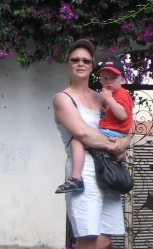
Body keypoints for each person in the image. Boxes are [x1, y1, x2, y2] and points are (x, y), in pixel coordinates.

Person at [53, 39, 132, 249]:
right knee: (86, 238)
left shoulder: (101, 98)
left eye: (86, 59)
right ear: (68, 65)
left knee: (103, 239)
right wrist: (115, 145)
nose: (81, 63)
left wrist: (124, 143)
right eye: (75, 59)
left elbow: (125, 127)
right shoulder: (63, 98)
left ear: (92, 66)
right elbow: (82, 134)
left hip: (107, 170)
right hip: (84, 169)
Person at [55, 57, 133, 193]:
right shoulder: (63, 98)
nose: (109, 82)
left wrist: (123, 141)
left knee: (77, 142)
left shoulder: (120, 94)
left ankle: (75, 178)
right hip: (107, 144)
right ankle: (77, 177)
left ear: (122, 79)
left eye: (113, 78)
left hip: (112, 135)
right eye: (105, 79)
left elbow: (123, 115)